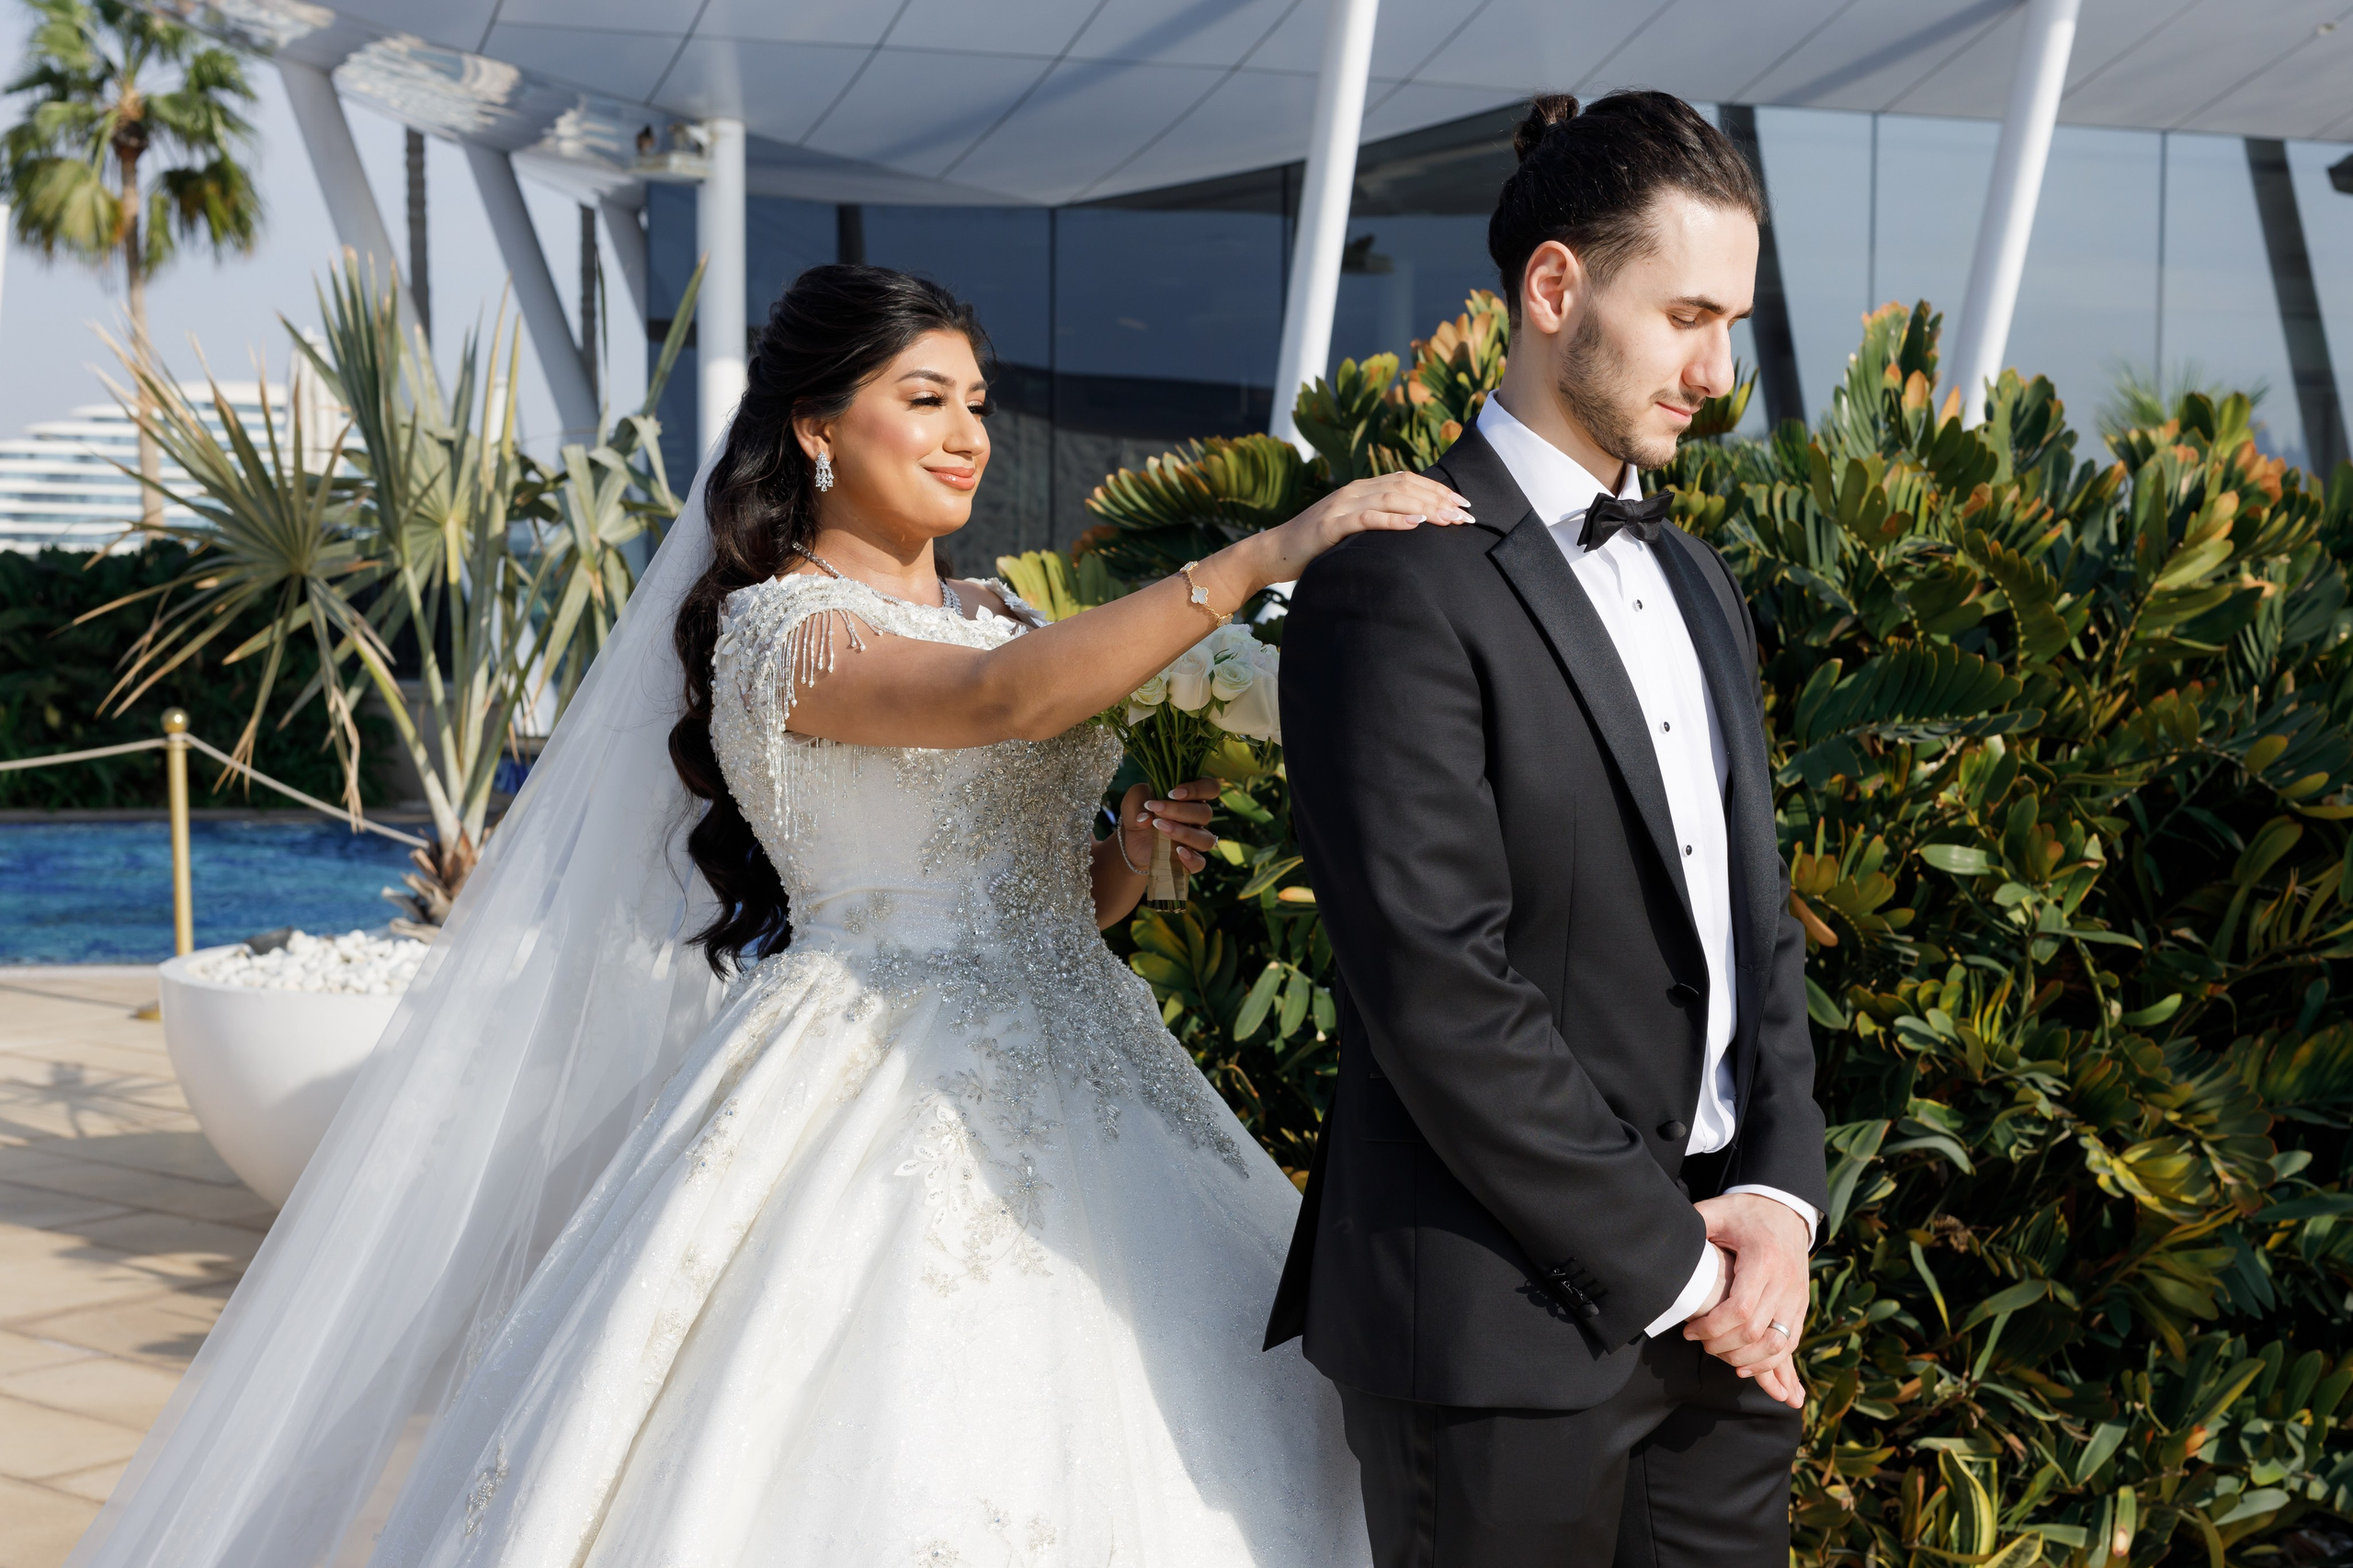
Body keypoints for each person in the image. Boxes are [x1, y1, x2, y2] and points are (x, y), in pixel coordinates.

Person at [66, 265, 1469, 1567]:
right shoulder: (786, 633)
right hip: (877, 1086)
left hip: (1091, 1060)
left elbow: (1044, 894)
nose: (967, 434)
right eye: (924, 400)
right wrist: (1270, 548)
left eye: (978, 402)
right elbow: (1003, 704)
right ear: (815, 428)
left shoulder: (993, 606)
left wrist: (1125, 863)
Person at [1268, 91, 1832, 1566]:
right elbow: (1438, 986)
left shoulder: (1700, 579)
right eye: (1689, 314)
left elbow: (1753, 921)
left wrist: (1776, 1199)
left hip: (1722, 1333)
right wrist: (1674, 1263)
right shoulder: (1388, 583)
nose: (1722, 370)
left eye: (1738, 321)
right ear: (1557, 289)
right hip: (1498, 1339)